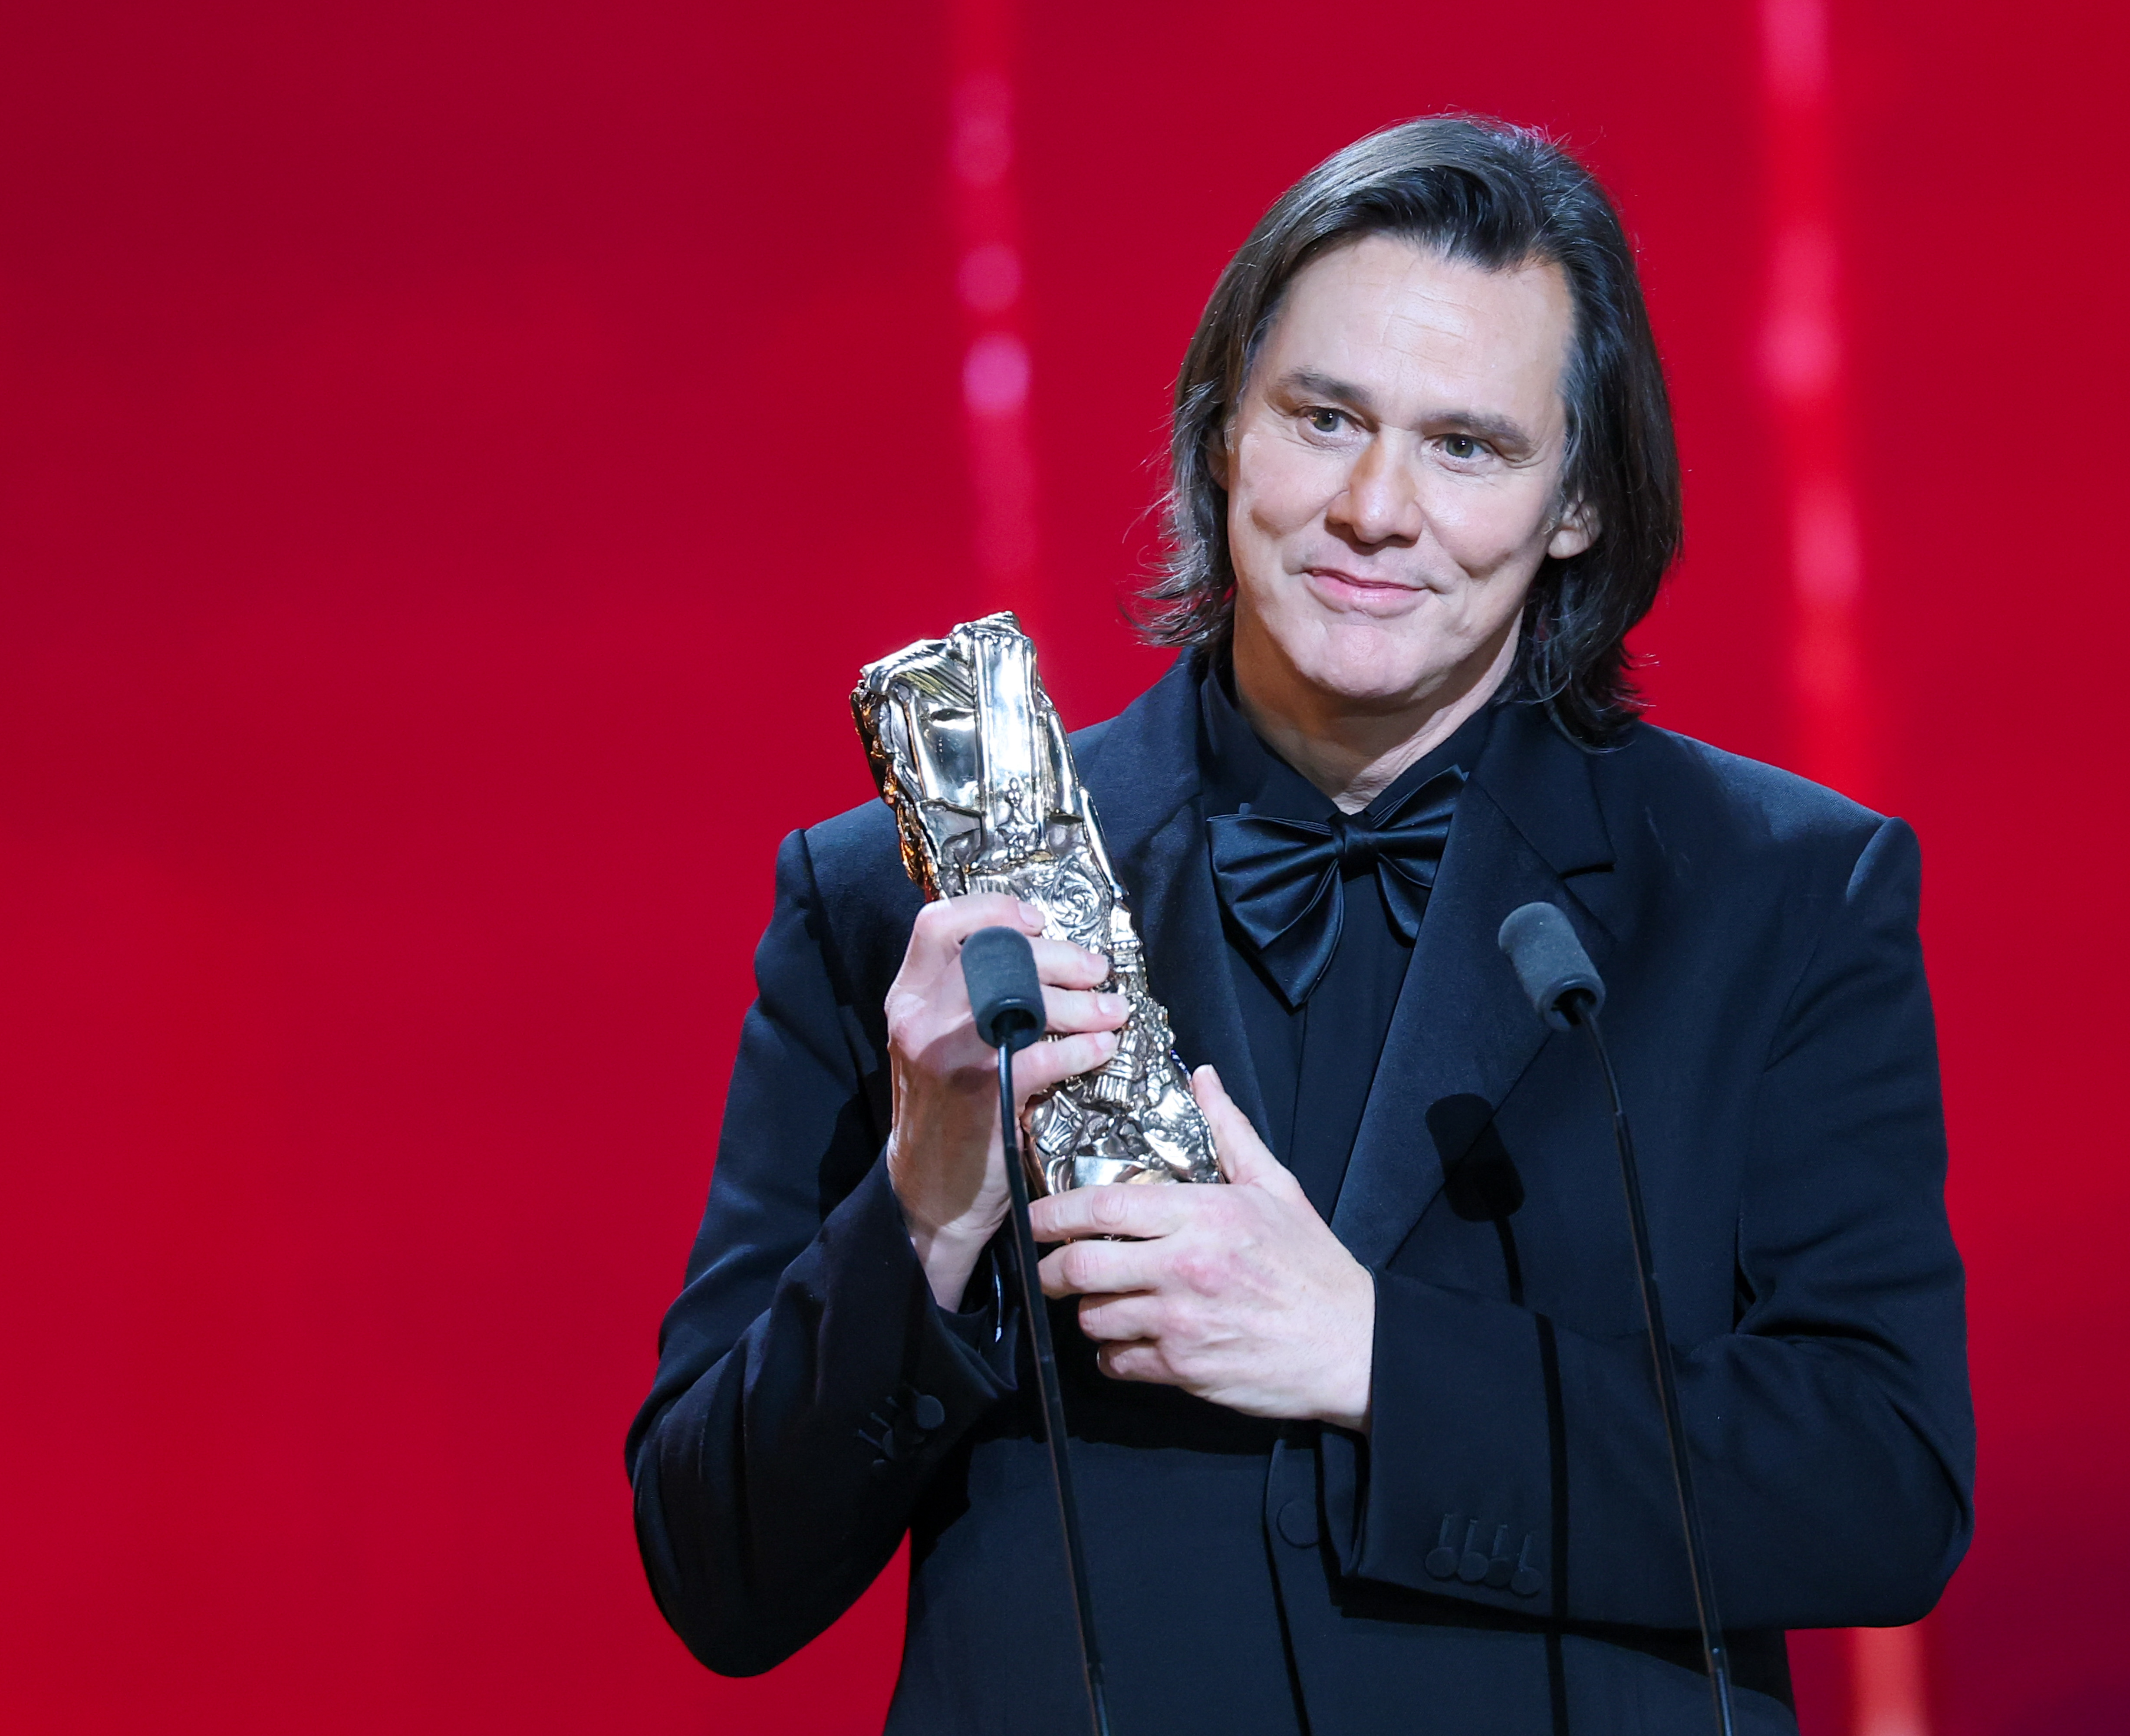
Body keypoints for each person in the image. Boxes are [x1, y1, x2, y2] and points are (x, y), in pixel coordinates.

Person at [626, 115, 1972, 1736]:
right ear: (1220, 437)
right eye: (1323, 419)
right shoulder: (905, 905)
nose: (1376, 509)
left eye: (1468, 447)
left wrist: (1374, 1358)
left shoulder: (1772, 892)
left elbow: (1881, 1481)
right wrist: (922, 1214)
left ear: (1579, 508)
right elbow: (717, 1570)